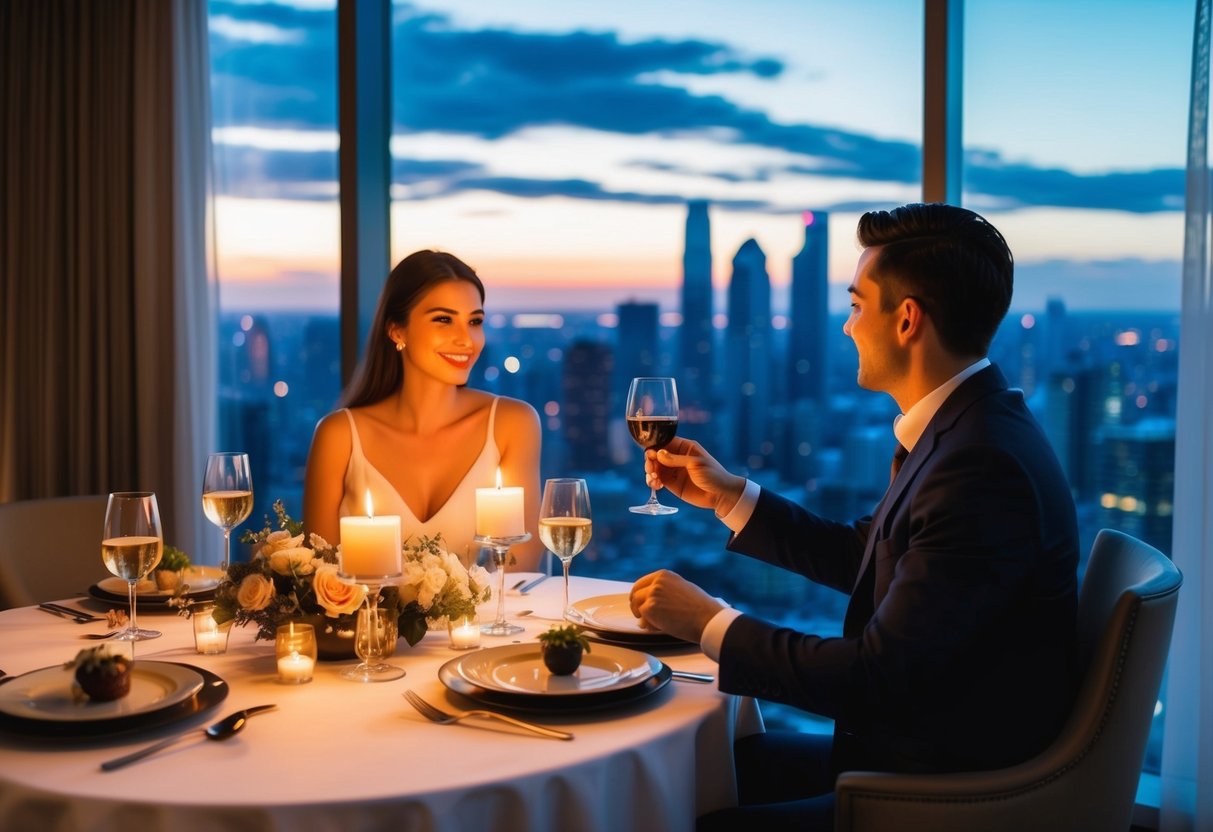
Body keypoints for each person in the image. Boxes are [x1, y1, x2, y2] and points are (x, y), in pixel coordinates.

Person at [629, 203, 1079, 830]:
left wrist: (711, 623)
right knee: (703, 768)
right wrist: (729, 496)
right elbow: (864, 557)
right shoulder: (970, 428)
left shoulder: (981, 466)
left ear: (907, 319)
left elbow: (874, 677)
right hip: (916, 751)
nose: (846, 327)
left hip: (942, 793)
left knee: (690, 806)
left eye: (856, 305)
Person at [304, 250, 544, 571]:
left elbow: (520, 568)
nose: (466, 340)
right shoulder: (338, 435)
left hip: (489, 622)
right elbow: (320, 576)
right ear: (396, 331)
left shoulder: (513, 424)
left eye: (474, 321)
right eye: (444, 320)